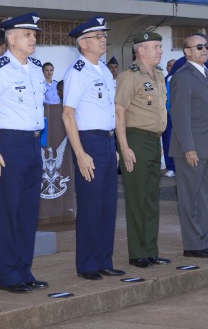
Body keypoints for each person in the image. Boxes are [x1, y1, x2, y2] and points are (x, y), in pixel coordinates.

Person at [0, 12, 49, 294]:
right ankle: (9, 275)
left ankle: (24, 269)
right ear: (11, 38)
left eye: (34, 34)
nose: (33, 38)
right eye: (28, 34)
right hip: (8, 144)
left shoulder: (34, 68)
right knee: (7, 211)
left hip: (32, 144)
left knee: (28, 212)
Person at [62, 16, 125, 281]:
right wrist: (80, 152)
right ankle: (88, 264)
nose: (103, 40)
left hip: (107, 141)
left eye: (103, 36)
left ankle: (103, 260)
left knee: (108, 204)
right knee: (90, 204)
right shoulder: (77, 71)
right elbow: (67, 115)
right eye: (97, 37)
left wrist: (116, 146)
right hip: (88, 142)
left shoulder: (102, 69)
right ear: (82, 42)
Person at [115, 31, 170, 269]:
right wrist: (124, 147)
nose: (160, 50)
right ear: (141, 50)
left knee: (151, 198)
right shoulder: (129, 76)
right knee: (137, 198)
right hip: (135, 139)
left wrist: (157, 144)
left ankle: (151, 250)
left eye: (160, 46)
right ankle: (138, 253)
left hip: (153, 140)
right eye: (156, 46)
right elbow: (119, 112)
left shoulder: (158, 75)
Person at [169, 34, 208, 259]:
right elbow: (180, 115)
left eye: (206, 46)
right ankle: (192, 245)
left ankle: (203, 242)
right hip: (192, 149)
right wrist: (188, 148)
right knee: (190, 198)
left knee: (204, 198)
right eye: (199, 46)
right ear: (187, 51)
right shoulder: (183, 77)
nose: (204, 50)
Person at [162, 59, 176, 178]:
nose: (171, 67)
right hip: (166, 116)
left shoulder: (183, 79)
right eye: (169, 65)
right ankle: (171, 167)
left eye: (174, 65)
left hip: (179, 116)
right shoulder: (163, 81)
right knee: (168, 141)